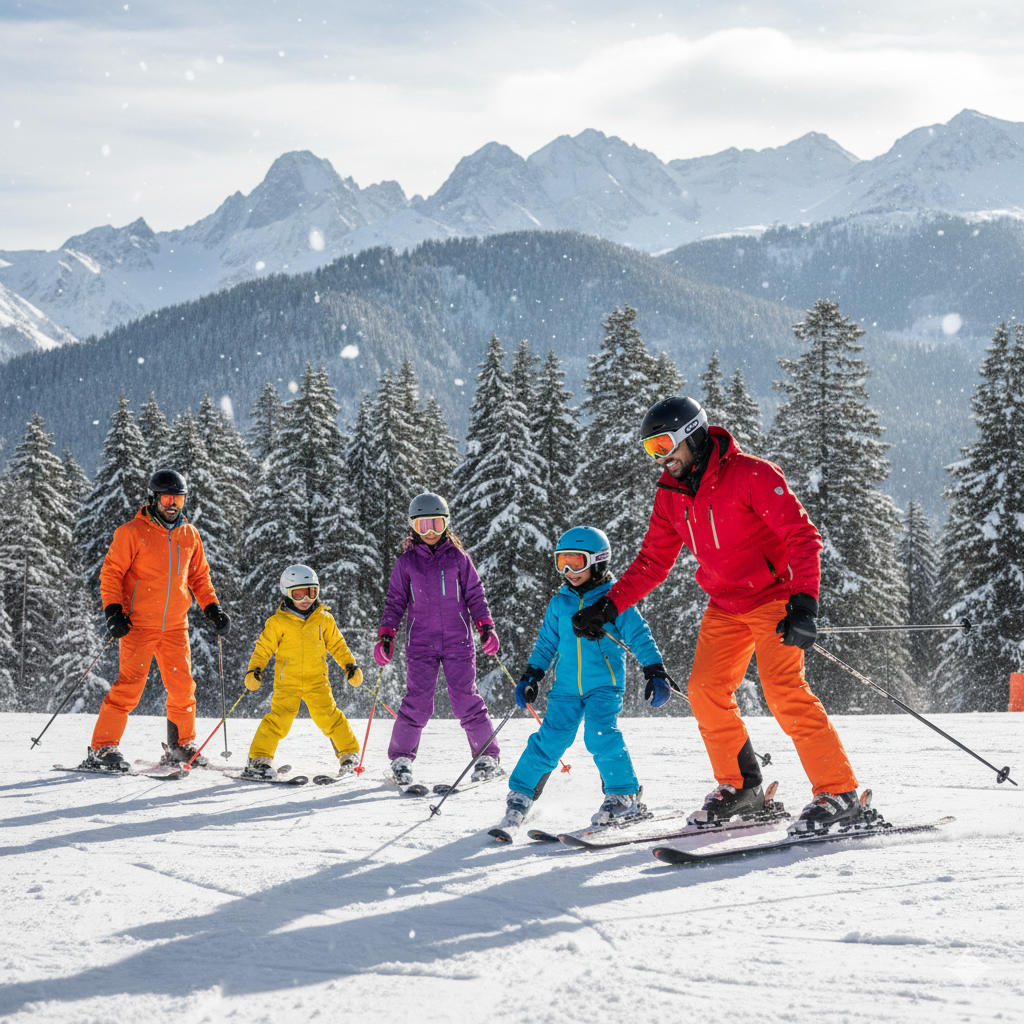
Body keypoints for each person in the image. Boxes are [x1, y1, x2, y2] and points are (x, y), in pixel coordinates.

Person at [572, 396, 861, 835]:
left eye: (664, 444)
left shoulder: (752, 475)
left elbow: (802, 537)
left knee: (783, 691)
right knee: (704, 689)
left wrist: (804, 602)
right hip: (725, 603)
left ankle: (838, 791)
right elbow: (653, 562)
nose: (661, 458)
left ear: (693, 434)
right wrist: (608, 606)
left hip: (773, 596)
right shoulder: (670, 495)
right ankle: (741, 787)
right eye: (651, 449)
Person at [497, 526, 675, 831]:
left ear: (598, 561)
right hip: (565, 688)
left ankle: (623, 796)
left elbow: (639, 635)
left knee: (600, 735)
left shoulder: (616, 599)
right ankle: (521, 796)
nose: (568, 570)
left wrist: (654, 670)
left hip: (604, 686)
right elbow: (546, 645)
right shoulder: (559, 604)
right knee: (550, 738)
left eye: (576, 562)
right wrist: (532, 676)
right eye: (561, 562)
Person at [88, 468, 230, 770]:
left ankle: (181, 746)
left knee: (182, 688)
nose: (173, 504)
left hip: (176, 626)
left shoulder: (189, 534)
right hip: (138, 625)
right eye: (167, 498)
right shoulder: (131, 533)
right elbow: (111, 574)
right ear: (153, 498)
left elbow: (199, 577)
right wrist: (113, 611)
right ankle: (102, 748)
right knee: (129, 687)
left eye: (179, 499)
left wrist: (212, 608)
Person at [375, 493, 502, 788]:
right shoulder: (406, 563)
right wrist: (386, 634)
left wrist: (485, 626)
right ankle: (401, 759)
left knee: (465, 700)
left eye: (436, 523)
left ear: (446, 524)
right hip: (420, 642)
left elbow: (475, 594)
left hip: (458, 641)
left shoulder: (459, 558)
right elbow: (395, 601)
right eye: (423, 525)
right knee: (418, 702)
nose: (430, 531)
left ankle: (487, 757)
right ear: (413, 527)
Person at [240, 564, 363, 781]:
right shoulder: (278, 622)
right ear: (287, 593)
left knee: (330, 717)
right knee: (279, 719)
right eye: (299, 593)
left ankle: (349, 757)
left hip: (317, 681)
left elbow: (337, 645)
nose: (306, 598)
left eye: (311, 592)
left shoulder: (324, 619)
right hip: (287, 682)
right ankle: (258, 760)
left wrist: (349, 665)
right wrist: (255, 669)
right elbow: (263, 648)